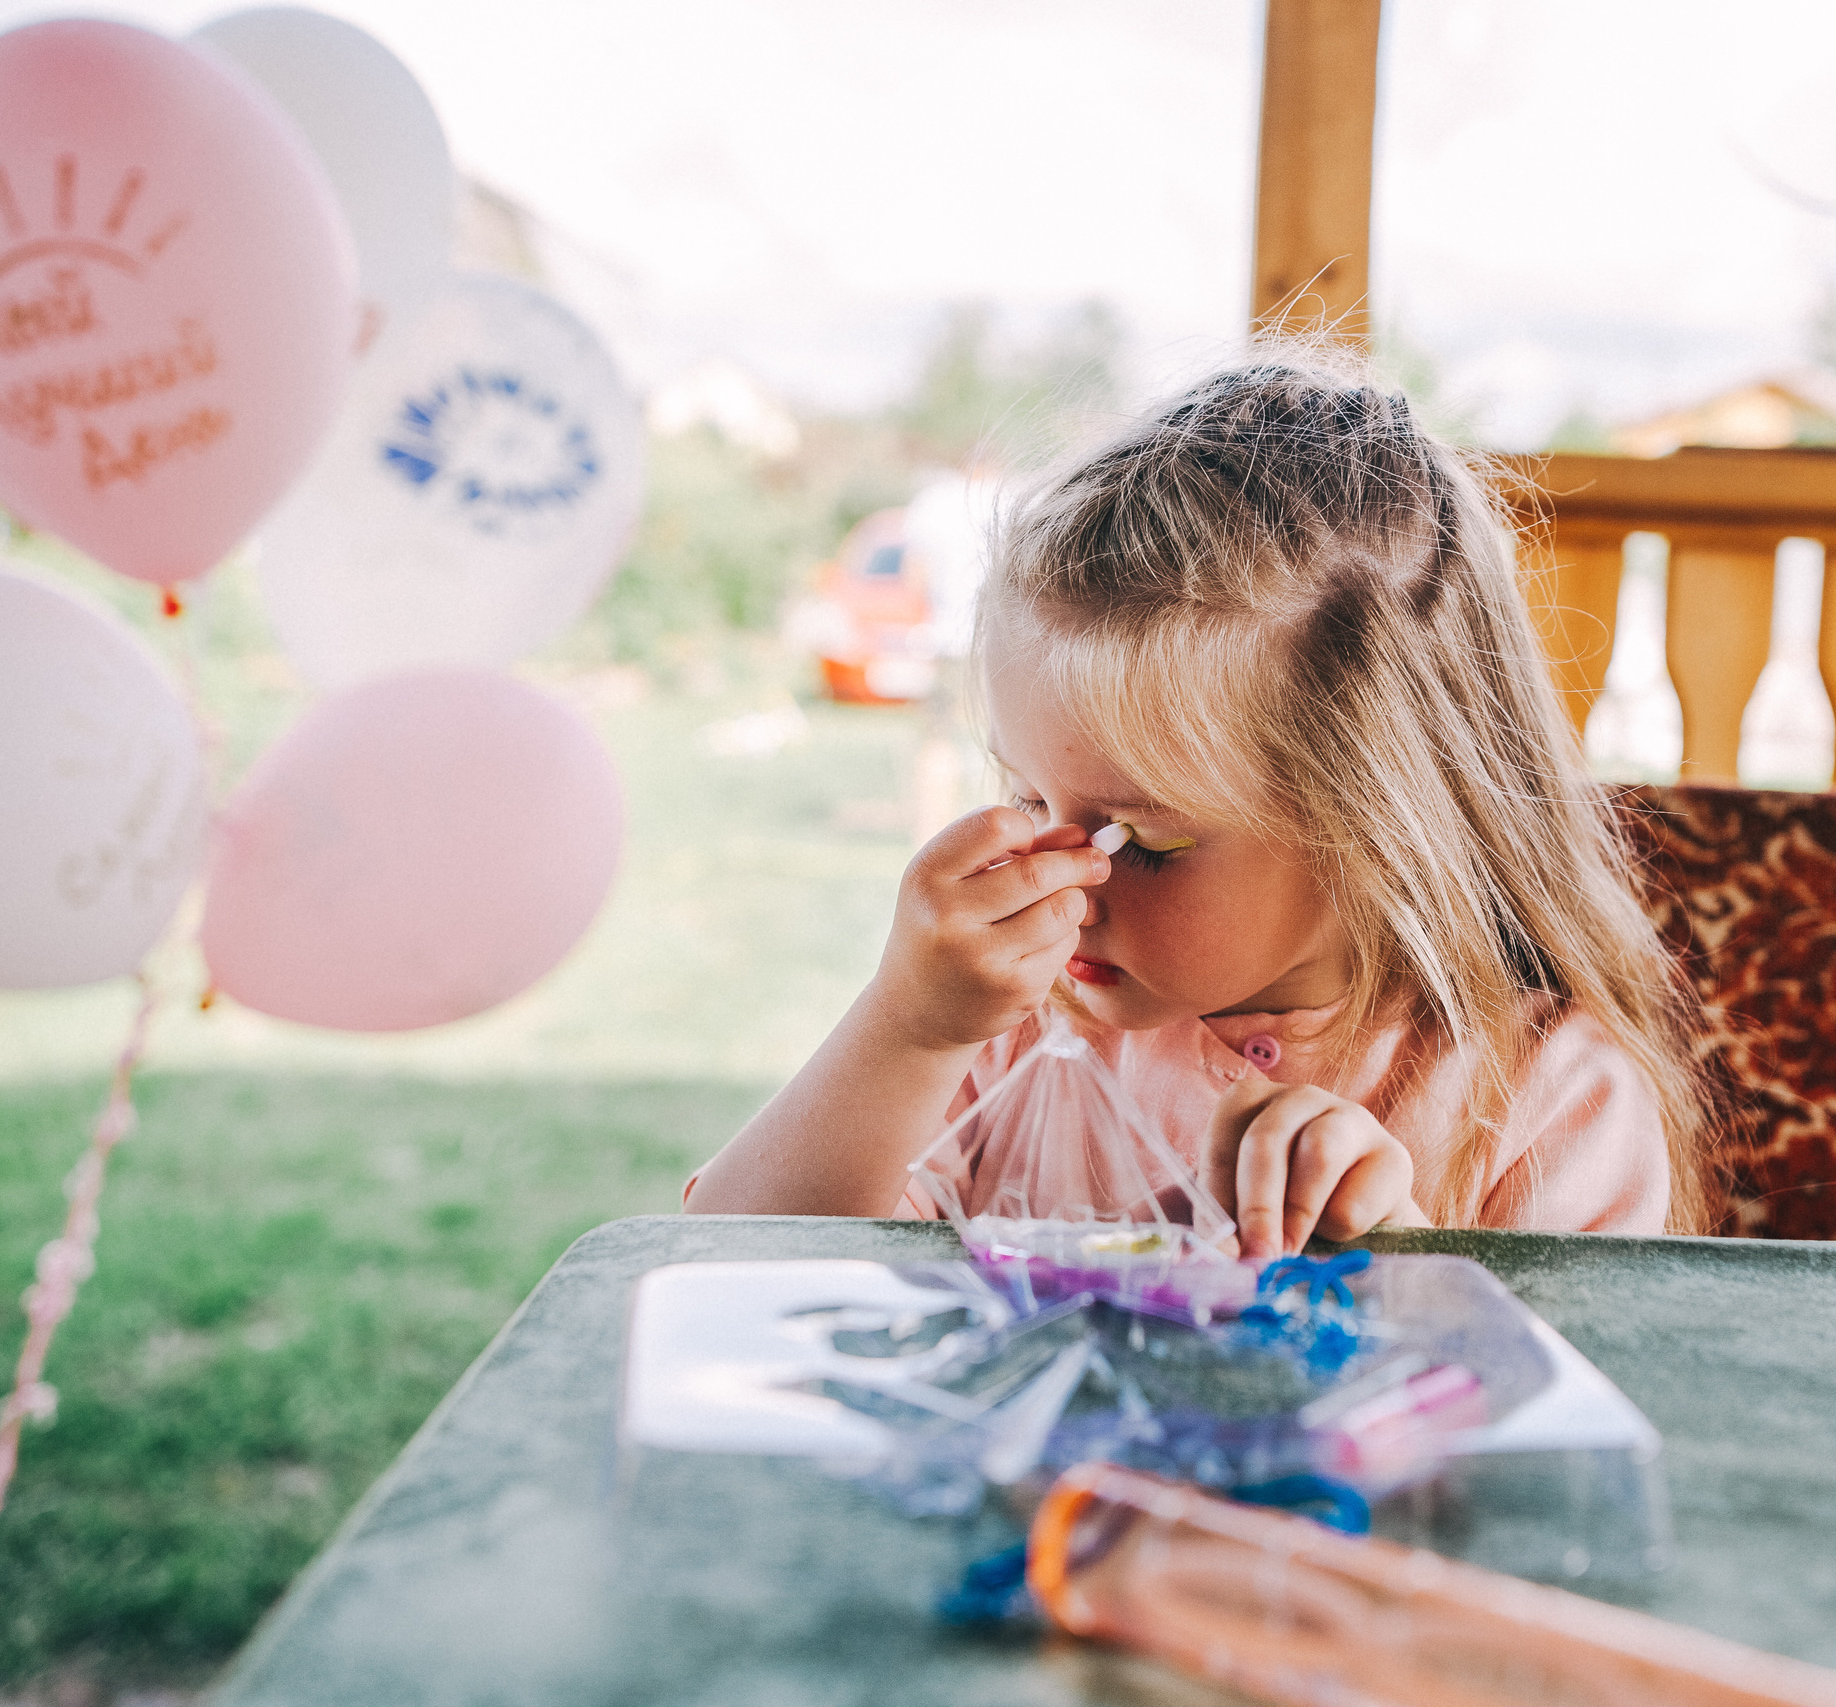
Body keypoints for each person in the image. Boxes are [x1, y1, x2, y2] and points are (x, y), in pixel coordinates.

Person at [686, 356, 1711, 1255]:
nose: (1065, 880)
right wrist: (906, 1030)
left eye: (1146, 840)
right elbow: (724, 1278)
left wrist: (1396, 1259)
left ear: (1380, 834)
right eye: (1025, 793)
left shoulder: (1541, 1098)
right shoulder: (1004, 1030)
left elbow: (1548, 1441)